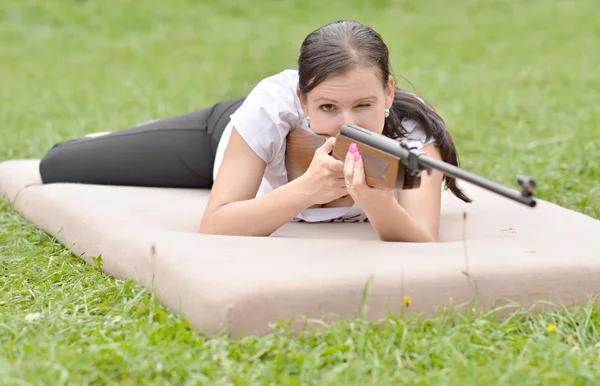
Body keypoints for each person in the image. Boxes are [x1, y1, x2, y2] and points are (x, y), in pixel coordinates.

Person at [39, 20, 471, 243]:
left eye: (364, 105)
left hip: (259, 166)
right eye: (327, 107)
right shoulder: (272, 105)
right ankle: (127, 136)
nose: (348, 124)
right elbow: (217, 223)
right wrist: (306, 191)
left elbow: (422, 238)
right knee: (59, 163)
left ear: (389, 91)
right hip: (218, 139)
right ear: (301, 100)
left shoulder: (415, 138)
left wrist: (376, 202)